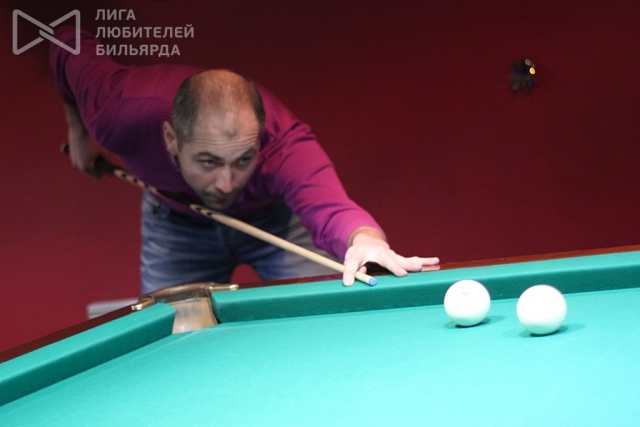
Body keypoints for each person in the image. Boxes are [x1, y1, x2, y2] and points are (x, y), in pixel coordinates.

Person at [50, 27, 439, 293]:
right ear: (171, 139)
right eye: (208, 162)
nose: (227, 183)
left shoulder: (284, 146)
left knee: (326, 314)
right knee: (173, 337)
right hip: (176, 223)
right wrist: (79, 131)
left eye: (243, 160)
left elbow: (332, 209)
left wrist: (366, 241)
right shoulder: (118, 113)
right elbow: (65, 40)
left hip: (274, 222)